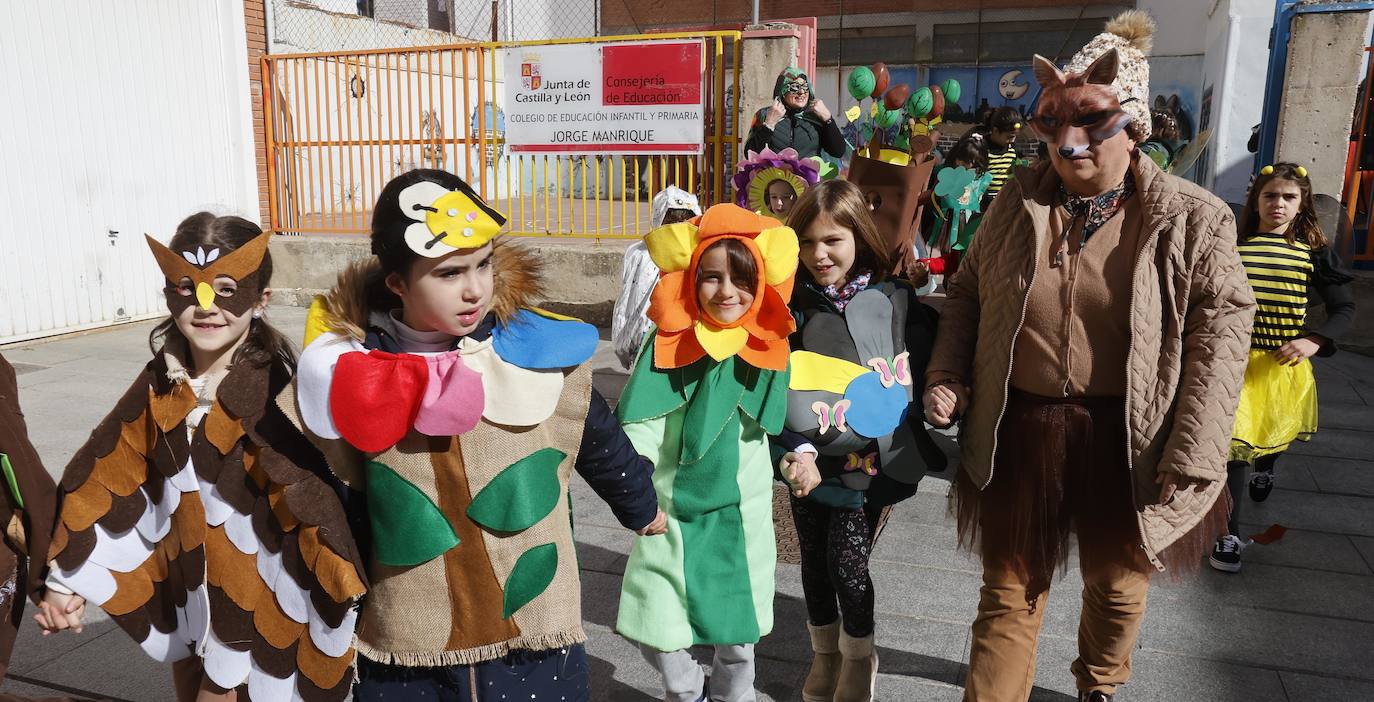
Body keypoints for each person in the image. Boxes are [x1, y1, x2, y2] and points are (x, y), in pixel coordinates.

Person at [922, 12, 1255, 702]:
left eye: (1090, 124)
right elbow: (967, 296)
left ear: (1133, 126)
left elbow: (1221, 335)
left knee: (1117, 586)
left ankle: (1100, 684)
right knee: (1008, 589)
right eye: (1050, 126)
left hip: (1131, 436)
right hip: (1024, 426)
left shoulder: (1194, 219)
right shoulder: (1015, 204)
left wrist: (1193, 452)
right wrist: (948, 373)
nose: (1068, 145)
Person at [289, 169, 666, 702]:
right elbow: (334, 486)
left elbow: (593, 429)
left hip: (534, 641)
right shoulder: (351, 371)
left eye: (484, 264)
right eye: (448, 274)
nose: (474, 289)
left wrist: (641, 504)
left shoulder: (535, 354)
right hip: (412, 635)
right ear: (397, 282)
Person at [37, 214, 367, 701]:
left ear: (261, 299)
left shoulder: (279, 393)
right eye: (188, 289)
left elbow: (317, 496)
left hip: (261, 598)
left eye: (228, 288)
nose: (207, 306)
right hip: (189, 591)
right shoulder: (160, 382)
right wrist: (67, 579)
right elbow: (106, 473)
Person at [615, 203, 810, 702]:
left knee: (737, 631)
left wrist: (795, 458)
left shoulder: (770, 347)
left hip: (741, 518)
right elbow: (642, 422)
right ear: (689, 280)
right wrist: (632, 482)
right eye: (712, 277)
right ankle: (686, 690)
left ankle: (731, 696)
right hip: (669, 513)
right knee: (652, 620)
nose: (726, 292)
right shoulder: (666, 345)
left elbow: (779, 424)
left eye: (741, 279)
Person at [781, 180, 943, 702]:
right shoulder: (788, 305)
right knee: (811, 559)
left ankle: (858, 655)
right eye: (806, 242)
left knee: (847, 562)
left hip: (866, 461)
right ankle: (823, 654)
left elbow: (923, 359)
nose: (819, 254)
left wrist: (936, 401)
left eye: (832, 240)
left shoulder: (892, 300)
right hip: (804, 453)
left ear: (859, 237)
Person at [1210, 163, 1357, 573]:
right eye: (1270, 195)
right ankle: (1229, 534)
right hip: (1233, 363)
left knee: (1269, 437)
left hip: (1280, 365)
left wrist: (1315, 339)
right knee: (1235, 448)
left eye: (1288, 197)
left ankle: (1268, 468)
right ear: (1256, 200)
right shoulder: (1234, 245)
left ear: (1302, 203)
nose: (1278, 204)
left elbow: (1344, 308)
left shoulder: (1314, 252)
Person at [612, 185, 702, 368]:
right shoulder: (642, 255)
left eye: (684, 225)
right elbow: (630, 302)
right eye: (671, 225)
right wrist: (624, 343)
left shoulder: (700, 254)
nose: (676, 231)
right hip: (648, 335)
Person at [745, 68, 846, 161]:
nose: (801, 92)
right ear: (782, 90)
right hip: (775, 178)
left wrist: (829, 119)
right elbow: (750, 154)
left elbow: (838, 151)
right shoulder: (764, 114)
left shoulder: (816, 117)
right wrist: (769, 124)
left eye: (805, 87)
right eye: (794, 87)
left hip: (808, 179)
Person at [732, 147, 821, 222]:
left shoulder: (806, 225)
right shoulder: (760, 224)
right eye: (774, 197)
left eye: (786, 197)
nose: (779, 203)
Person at [978, 106, 1023, 205]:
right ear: (995, 131)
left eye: (1014, 137)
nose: (1012, 140)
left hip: (1006, 202)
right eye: (1009, 137)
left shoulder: (1013, 150)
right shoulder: (982, 149)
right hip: (984, 204)